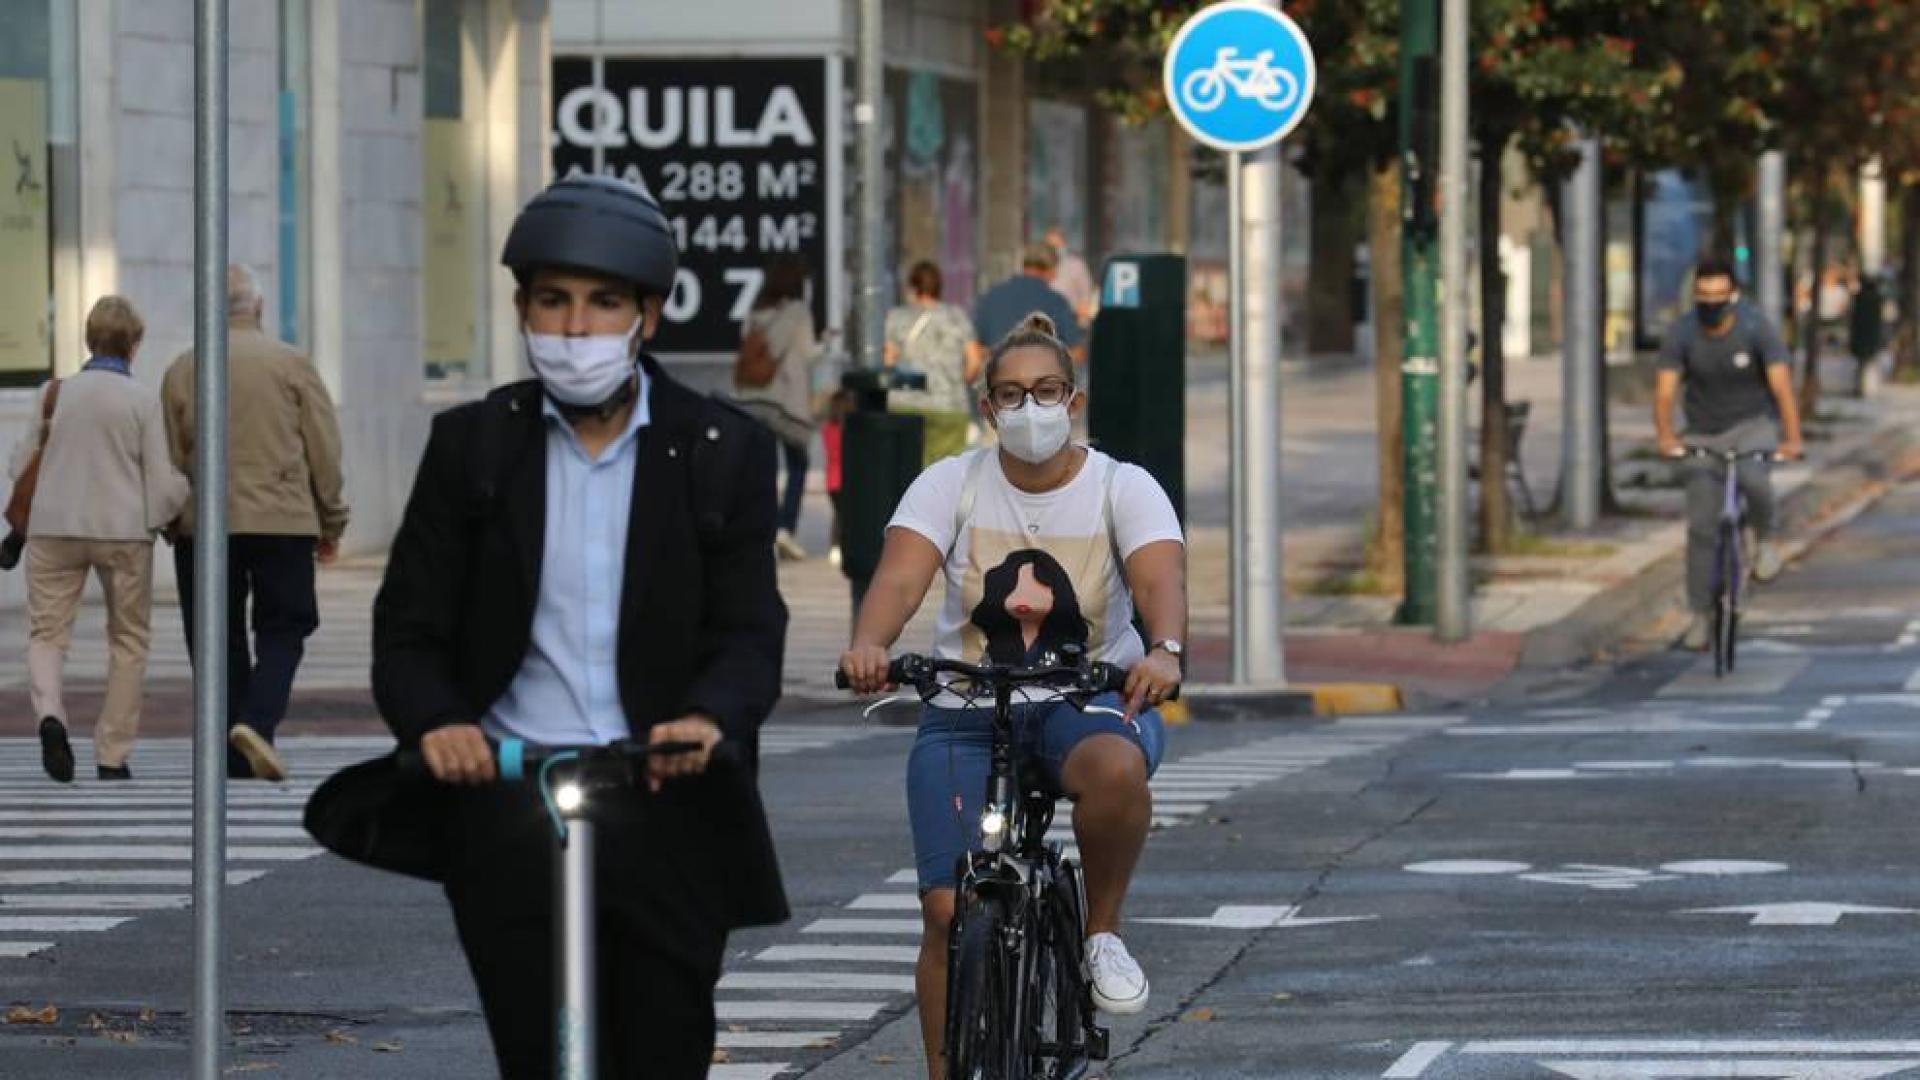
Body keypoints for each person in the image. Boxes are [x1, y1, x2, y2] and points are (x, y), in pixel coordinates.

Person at [368, 173, 789, 1078]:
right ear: (521, 307)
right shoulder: (473, 446)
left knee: (663, 1049)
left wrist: (708, 720)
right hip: (510, 802)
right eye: (552, 301)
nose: (573, 327)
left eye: (602, 304)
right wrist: (437, 723)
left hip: (667, 795)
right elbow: (408, 627)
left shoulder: (724, 451)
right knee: (538, 1053)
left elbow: (751, 629)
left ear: (649, 315)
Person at [839, 312, 1187, 1080]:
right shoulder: (953, 482)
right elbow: (900, 575)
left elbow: (1161, 576)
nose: (1031, 409)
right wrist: (870, 643)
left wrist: (1163, 651)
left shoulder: (1121, 487)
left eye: (1047, 391)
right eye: (1011, 395)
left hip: (1088, 699)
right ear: (987, 405)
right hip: (967, 709)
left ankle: (1100, 935)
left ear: (1075, 398)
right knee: (945, 912)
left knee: (1114, 769)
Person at [161, 265, 347, 782]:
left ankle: (234, 743)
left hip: (204, 523)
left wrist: (174, 520)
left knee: (215, 635)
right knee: (284, 626)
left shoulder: (183, 368)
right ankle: (256, 723)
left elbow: (171, 459)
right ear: (259, 309)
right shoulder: (292, 364)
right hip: (282, 518)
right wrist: (331, 518)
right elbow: (324, 449)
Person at [13, 297, 189, 783]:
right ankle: (112, 754)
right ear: (135, 345)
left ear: (89, 340)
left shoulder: (53, 393)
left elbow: (19, 464)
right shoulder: (142, 400)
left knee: (48, 634)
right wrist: (182, 497)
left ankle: (51, 716)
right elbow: (161, 481)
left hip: (53, 527)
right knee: (128, 640)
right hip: (123, 532)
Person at [1655, 255, 1804, 650]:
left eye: (1719, 295)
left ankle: (1766, 539)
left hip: (1752, 426)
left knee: (1756, 477)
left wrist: (1792, 438)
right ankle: (1701, 615)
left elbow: (1781, 387)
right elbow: (1665, 391)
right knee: (1701, 526)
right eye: (1703, 295)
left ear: (1733, 295)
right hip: (1703, 434)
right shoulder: (1682, 333)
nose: (1711, 303)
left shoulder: (1757, 328)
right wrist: (1667, 435)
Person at [734, 255, 820, 561]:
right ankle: (785, 528)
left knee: (763, 466)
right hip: (785, 403)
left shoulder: (755, 311)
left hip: (753, 398)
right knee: (798, 464)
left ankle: (763, 530)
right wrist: (827, 344)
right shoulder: (798, 312)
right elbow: (808, 353)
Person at [885, 260, 983, 467]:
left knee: (908, 472)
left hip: (904, 406)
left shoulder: (896, 317)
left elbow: (889, 361)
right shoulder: (957, 316)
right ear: (940, 287)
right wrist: (958, 382)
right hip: (948, 405)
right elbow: (974, 361)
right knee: (945, 474)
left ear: (912, 287)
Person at [974, 243, 1087, 366]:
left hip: (997, 380)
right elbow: (1077, 352)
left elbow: (975, 349)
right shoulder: (1056, 302)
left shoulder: (991, 297)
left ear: (1024, 265)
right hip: (1040, 379)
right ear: (1051, 270)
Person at [1045, 225, 1097, 325]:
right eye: (1050, 246)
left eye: (1057, 246)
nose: (1054, 250)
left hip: (1069, 320)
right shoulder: (1040, 268)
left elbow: (1086, 297)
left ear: (1064, 245)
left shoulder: (1076, 265)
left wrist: (1082, 324)